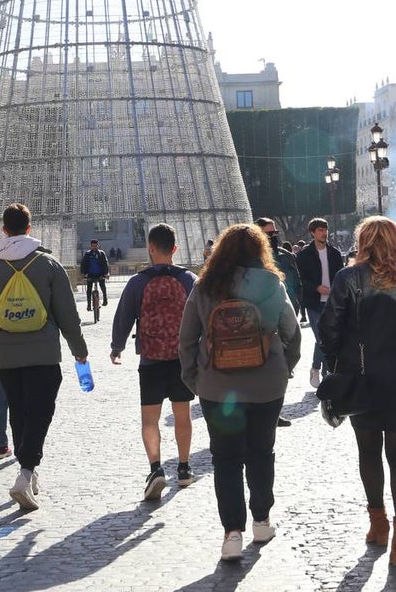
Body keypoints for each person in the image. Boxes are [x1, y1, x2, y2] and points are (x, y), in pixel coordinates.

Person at [178, 223, 300, 561]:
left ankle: (232, 533)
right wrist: (283, 369)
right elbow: (292, 333)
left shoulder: (204, 286)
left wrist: (196, 380)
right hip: (266, 385)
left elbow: (186, 340)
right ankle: (261, 520)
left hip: (217, 386)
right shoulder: (272, 283)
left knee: (225, 459)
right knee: (262, 452)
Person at [318, 216, 396, 568]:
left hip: (362, 375)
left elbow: (329, 329)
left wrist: (337, 362)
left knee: (368, 452)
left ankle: (378, 523)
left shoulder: (348, 278)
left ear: (364, 241)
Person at [0, 202, 89, 510]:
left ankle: (29, 471)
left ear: (4, 230)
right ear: (29, 228)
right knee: (40, 412)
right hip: (43, 352)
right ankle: (25, 472)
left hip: (3, 354)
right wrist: (79, 350)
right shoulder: (48, 264)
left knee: (18, 411)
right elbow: (67, 314)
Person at [111, 223, 198, 500]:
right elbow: (202, 317)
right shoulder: (189, 280)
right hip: (181, 359)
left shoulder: (138, 282)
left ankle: (155, 468)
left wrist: (117, 347)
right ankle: (183, 468)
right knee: (182, 415)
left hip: (150, 359)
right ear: (175, 248)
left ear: (150, 248)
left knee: (150, 419)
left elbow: (124, 316)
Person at [257, 217, 302, 428]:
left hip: (286, 314)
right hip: (266, 321)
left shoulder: (286, 256)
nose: (273, 237)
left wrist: (297, 305)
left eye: (275, 233)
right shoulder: (255, 260)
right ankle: (265, 410)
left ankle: (275, 410)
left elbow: (296, 281)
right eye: (269, 234)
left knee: (281, 370)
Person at [295, 217, 344, 388]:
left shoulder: (335, 253)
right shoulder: (303, 255)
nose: (324, 233)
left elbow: (341, 275)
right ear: (313, 233)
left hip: (333, 302)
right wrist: (316, 287)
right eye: (320, 230)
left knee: (328, 338)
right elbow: (301, 279)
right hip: (314, 303)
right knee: (321, 338)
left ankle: (321, 371)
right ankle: (320, 371)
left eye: (325, 230)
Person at [80, 239, 110, 309]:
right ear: (91, 246)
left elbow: (105, 263)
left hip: (100, 274)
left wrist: (106, 273)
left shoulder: (101, 253)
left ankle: (105, 299)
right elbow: (83, 264)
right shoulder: (87, 254)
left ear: (98, 245)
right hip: (90, 274)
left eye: (96, 246)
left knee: (103, 286)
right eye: (93, 246)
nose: (94, 247)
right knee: (89, 289)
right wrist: (83, 273)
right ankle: (89, 304)